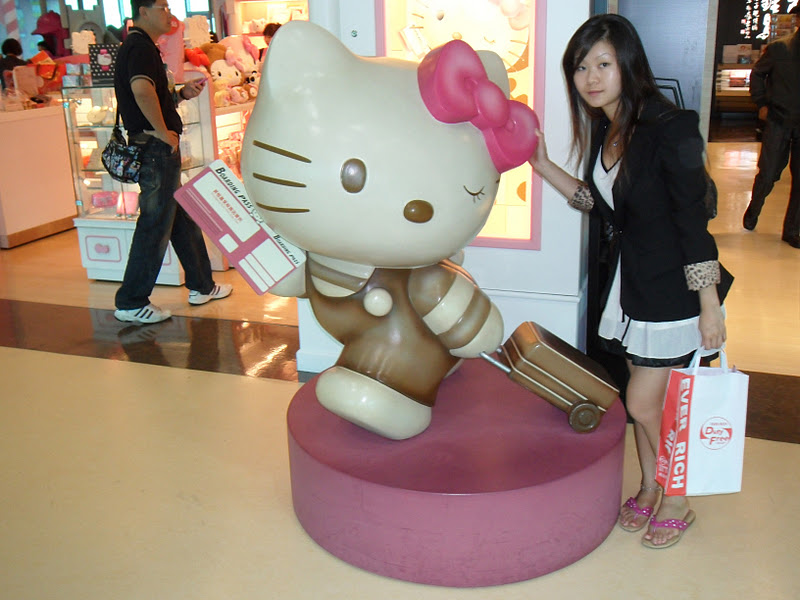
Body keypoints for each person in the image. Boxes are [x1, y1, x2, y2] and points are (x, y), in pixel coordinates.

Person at [529, 14, 733, 549]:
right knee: (650, 402)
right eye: (581, 67)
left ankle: (677, 498)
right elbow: (604, 206)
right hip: (632, 286)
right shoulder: (608, 128)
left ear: (628, 64)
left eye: (603, 63)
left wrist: (709, 304)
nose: (591, 77)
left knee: (642, 404)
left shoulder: (670, 125)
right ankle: (649, 486)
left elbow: (691, 219)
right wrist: (543, 165)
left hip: (673, 289)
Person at [114, 0, 232, 324]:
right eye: (163, 7)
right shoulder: (140, 47)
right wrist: (162, 132)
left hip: (157, 147)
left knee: (179, 218)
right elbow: (141, 91)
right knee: (155, 224)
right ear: (143, 11)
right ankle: (131, 301)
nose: (170, 14)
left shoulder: (143, 46)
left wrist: (181, 95)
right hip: (155, 148)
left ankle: (202, 285)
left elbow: (153, 94)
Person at [742, 6, 800, 249]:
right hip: (779, 118)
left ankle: (792, 230)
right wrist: (761, 102)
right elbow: (757, 74)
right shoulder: (779, 48)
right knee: (769, 172)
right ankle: (754, 209)